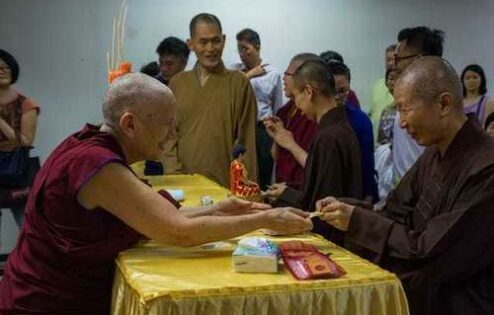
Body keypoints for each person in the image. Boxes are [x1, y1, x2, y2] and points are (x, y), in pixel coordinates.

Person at [0, 73, 312, 314]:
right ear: (130, 124)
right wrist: (266, 219)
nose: (172, 136)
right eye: (167, 125)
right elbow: (178, 232)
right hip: (45, 302)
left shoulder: (87, 144)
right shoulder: (95, 164)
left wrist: (219, 209)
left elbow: (149, 219)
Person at [318, 57, 494, 315]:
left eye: (405, 109)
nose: (400, 122)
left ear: (443, 103)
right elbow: (394, 213)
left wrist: (357, 221)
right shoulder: (434, 154)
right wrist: (347, 210)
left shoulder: (486, 167)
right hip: (422, 290)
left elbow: (430, 252)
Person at [265, 60, 362, 244]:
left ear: (309, 92)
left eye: (296, 97)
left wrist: (287, 194)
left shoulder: (329, 137)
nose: (298, 108)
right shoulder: (340, 128)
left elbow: (324, 207)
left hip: (331, 242)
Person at [164, 13, 258, 187]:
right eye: (203, 42)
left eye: (216, 41)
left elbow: (247, 143)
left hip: (225, 185)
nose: (210, 48)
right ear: (191, 44)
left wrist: (246, 192)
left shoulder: (239, 83)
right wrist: (173, 175)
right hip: (183, 184)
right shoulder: (177, 83)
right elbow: (168, 137)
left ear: (223, 40)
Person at [391, 26, 444, 181]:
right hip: (403, 188)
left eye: (398, 59)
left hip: (423, 188)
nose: (394, 65)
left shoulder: (436, 98)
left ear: (418, 59)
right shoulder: (406, 92)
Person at [233, 28, 283, 189]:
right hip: (239, 128)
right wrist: (249, 75)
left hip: (263, 129)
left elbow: (278, 107)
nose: (242, 54)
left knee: (263, 171)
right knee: (240, 170)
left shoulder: (273, 74)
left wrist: (277, 133)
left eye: (245, 49)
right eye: (239, 49)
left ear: (257, 47)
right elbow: (228, 93)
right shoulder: (234, 73)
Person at [263, 53, 319, 190]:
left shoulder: (314, 116)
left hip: (303, 194)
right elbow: (277, 159)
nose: (283, 78)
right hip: (282, 189)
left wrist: (290, 143)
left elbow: (317, 169)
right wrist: (278, 136)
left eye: (288, 74)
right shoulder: (285, 111)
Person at [326, 61, 378, 203]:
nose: (337, 97)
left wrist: (368, 196)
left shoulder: (360, 120)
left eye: (342, 91)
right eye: (332, 91)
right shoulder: (313, 118)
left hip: (353, 194)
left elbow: (367, 162)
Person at [0, 49, 40, 230]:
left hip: (16, 170)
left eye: (6, 67)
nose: (2, 71)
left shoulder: (26, 104)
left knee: (27, 224)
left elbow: (25, 141)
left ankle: (31, 257)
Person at [145, 36, 189, 176]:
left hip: (185, 154)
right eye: (161, 63)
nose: (163, 68)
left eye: (169, 64)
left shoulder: (193, 87)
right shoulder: (151, 86)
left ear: (183, 63)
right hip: (155, 153)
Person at [369, 44, 396, 141]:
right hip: (377, 143)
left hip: (395, 142)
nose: (391, 63)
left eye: (394, 59)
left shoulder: (407, 85)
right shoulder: (378, 84)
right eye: (388, 60)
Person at [377, 68, 398, 145]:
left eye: (398, 78)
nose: (394, 82)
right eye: (391, 78)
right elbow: (381, 140)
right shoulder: (386, 111)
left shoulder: (408, 110)